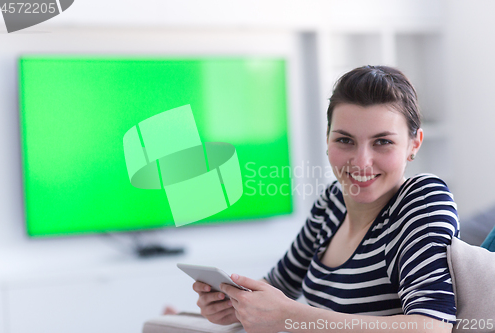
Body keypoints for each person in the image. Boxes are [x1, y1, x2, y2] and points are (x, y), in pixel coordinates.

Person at [192, 66, 459, 333]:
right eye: (345, 140)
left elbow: (433, 326)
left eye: (382, 142)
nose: (362, 161)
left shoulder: (423, 199)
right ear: (328, 139)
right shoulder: (332, 202)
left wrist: (291, 316)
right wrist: (231, 304)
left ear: (414, 144)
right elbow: (277, 286)